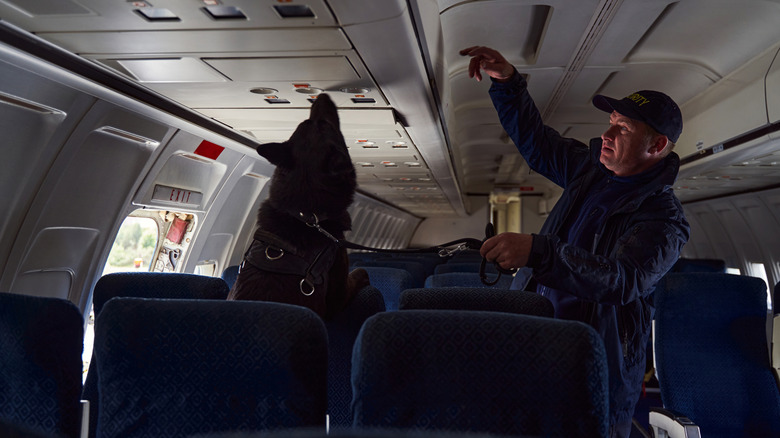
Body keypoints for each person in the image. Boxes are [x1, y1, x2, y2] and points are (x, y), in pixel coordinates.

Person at [460, 46, 690, 438]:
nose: (607, 133)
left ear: (656, 146)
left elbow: (622, 280)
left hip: (595, 367)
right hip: (534, 340)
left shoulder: (664, 219)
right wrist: (508, 83)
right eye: (611, 121)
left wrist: (538, 251)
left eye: (624, 128)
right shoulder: (592, 171)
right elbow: (537, 144)